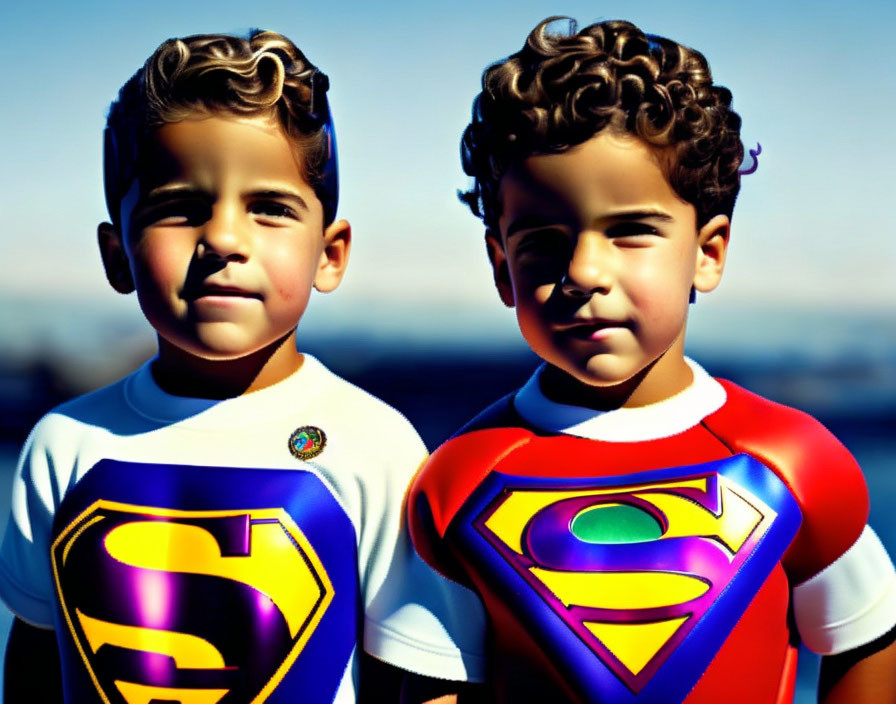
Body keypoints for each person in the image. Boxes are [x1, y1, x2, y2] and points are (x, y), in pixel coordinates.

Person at [409, 17, 896, 704]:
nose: (582, 270)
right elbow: (434, 682)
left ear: (708, 251)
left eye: (630, 231)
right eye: (544, 240)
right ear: (500, 267)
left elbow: (866, 638)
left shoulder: (794, 464)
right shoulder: (455, 484)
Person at [0, 30, 483, 703]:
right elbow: (31, 665)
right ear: (117, 256)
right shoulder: (62, 445)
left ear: (330, 254)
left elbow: (425, 682)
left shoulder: (377, 449)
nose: (224, 239)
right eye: (179, 209)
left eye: (269, 209)